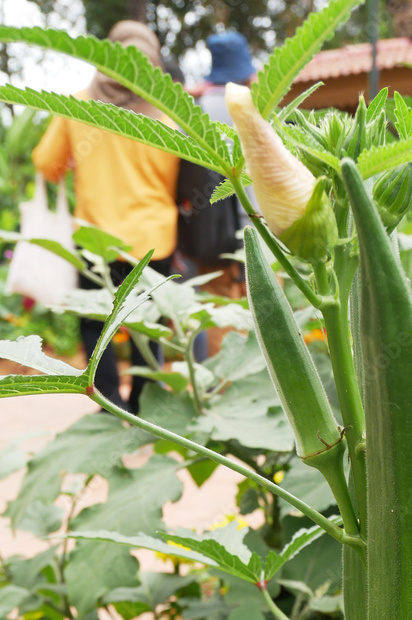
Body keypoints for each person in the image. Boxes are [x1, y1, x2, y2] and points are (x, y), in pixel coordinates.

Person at [32, 20, 180, 413]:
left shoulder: (77, 106)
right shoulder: (167, 116)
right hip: (154, 240)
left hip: (95, 239)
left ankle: (109, 405)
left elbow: (46, 164)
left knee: (97, 323)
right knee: (147, 327)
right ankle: (146, 408)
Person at [190, 30, 257, 355]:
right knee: (265, 323)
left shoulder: (196, 112)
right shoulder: (250, 108)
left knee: (218, 319)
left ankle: (222, 395)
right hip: (256, 232)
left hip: (209, 241)